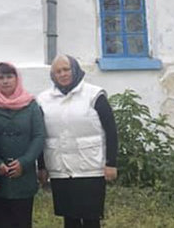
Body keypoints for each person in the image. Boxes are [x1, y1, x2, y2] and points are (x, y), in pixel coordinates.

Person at [36, 55, 118, 228]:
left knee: (91, 218)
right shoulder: (43, 100)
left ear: (75, 70)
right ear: (53, 75)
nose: (63, 74)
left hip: (90, 167)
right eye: (58, 71)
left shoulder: (94, 95)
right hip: (61, 169)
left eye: (66, 69)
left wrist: (111, 163)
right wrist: (42, 166)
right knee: (70, 218)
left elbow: (111, 130)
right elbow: (41, 135)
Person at [0, 62, 45, 228]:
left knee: (22, 221)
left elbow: (39, 136)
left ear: (17, 79)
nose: (5, 81)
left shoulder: (31, 105)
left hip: (23, 177)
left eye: (9, 76)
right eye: (1, 77)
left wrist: (24, 162)